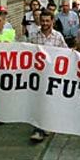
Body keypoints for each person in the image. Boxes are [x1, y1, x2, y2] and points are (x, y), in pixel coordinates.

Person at [29, 9, 68, 142]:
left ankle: (47, 124)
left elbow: (66, 53)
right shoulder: (33, 36)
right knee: (38, 101)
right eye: (43, 20)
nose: (45, 23)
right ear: (39, 21)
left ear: (52, 21)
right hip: (38, 76)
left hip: (53, 76)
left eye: (47, 21)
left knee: (50, 101)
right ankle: (37, 129)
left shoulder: (58, 37)